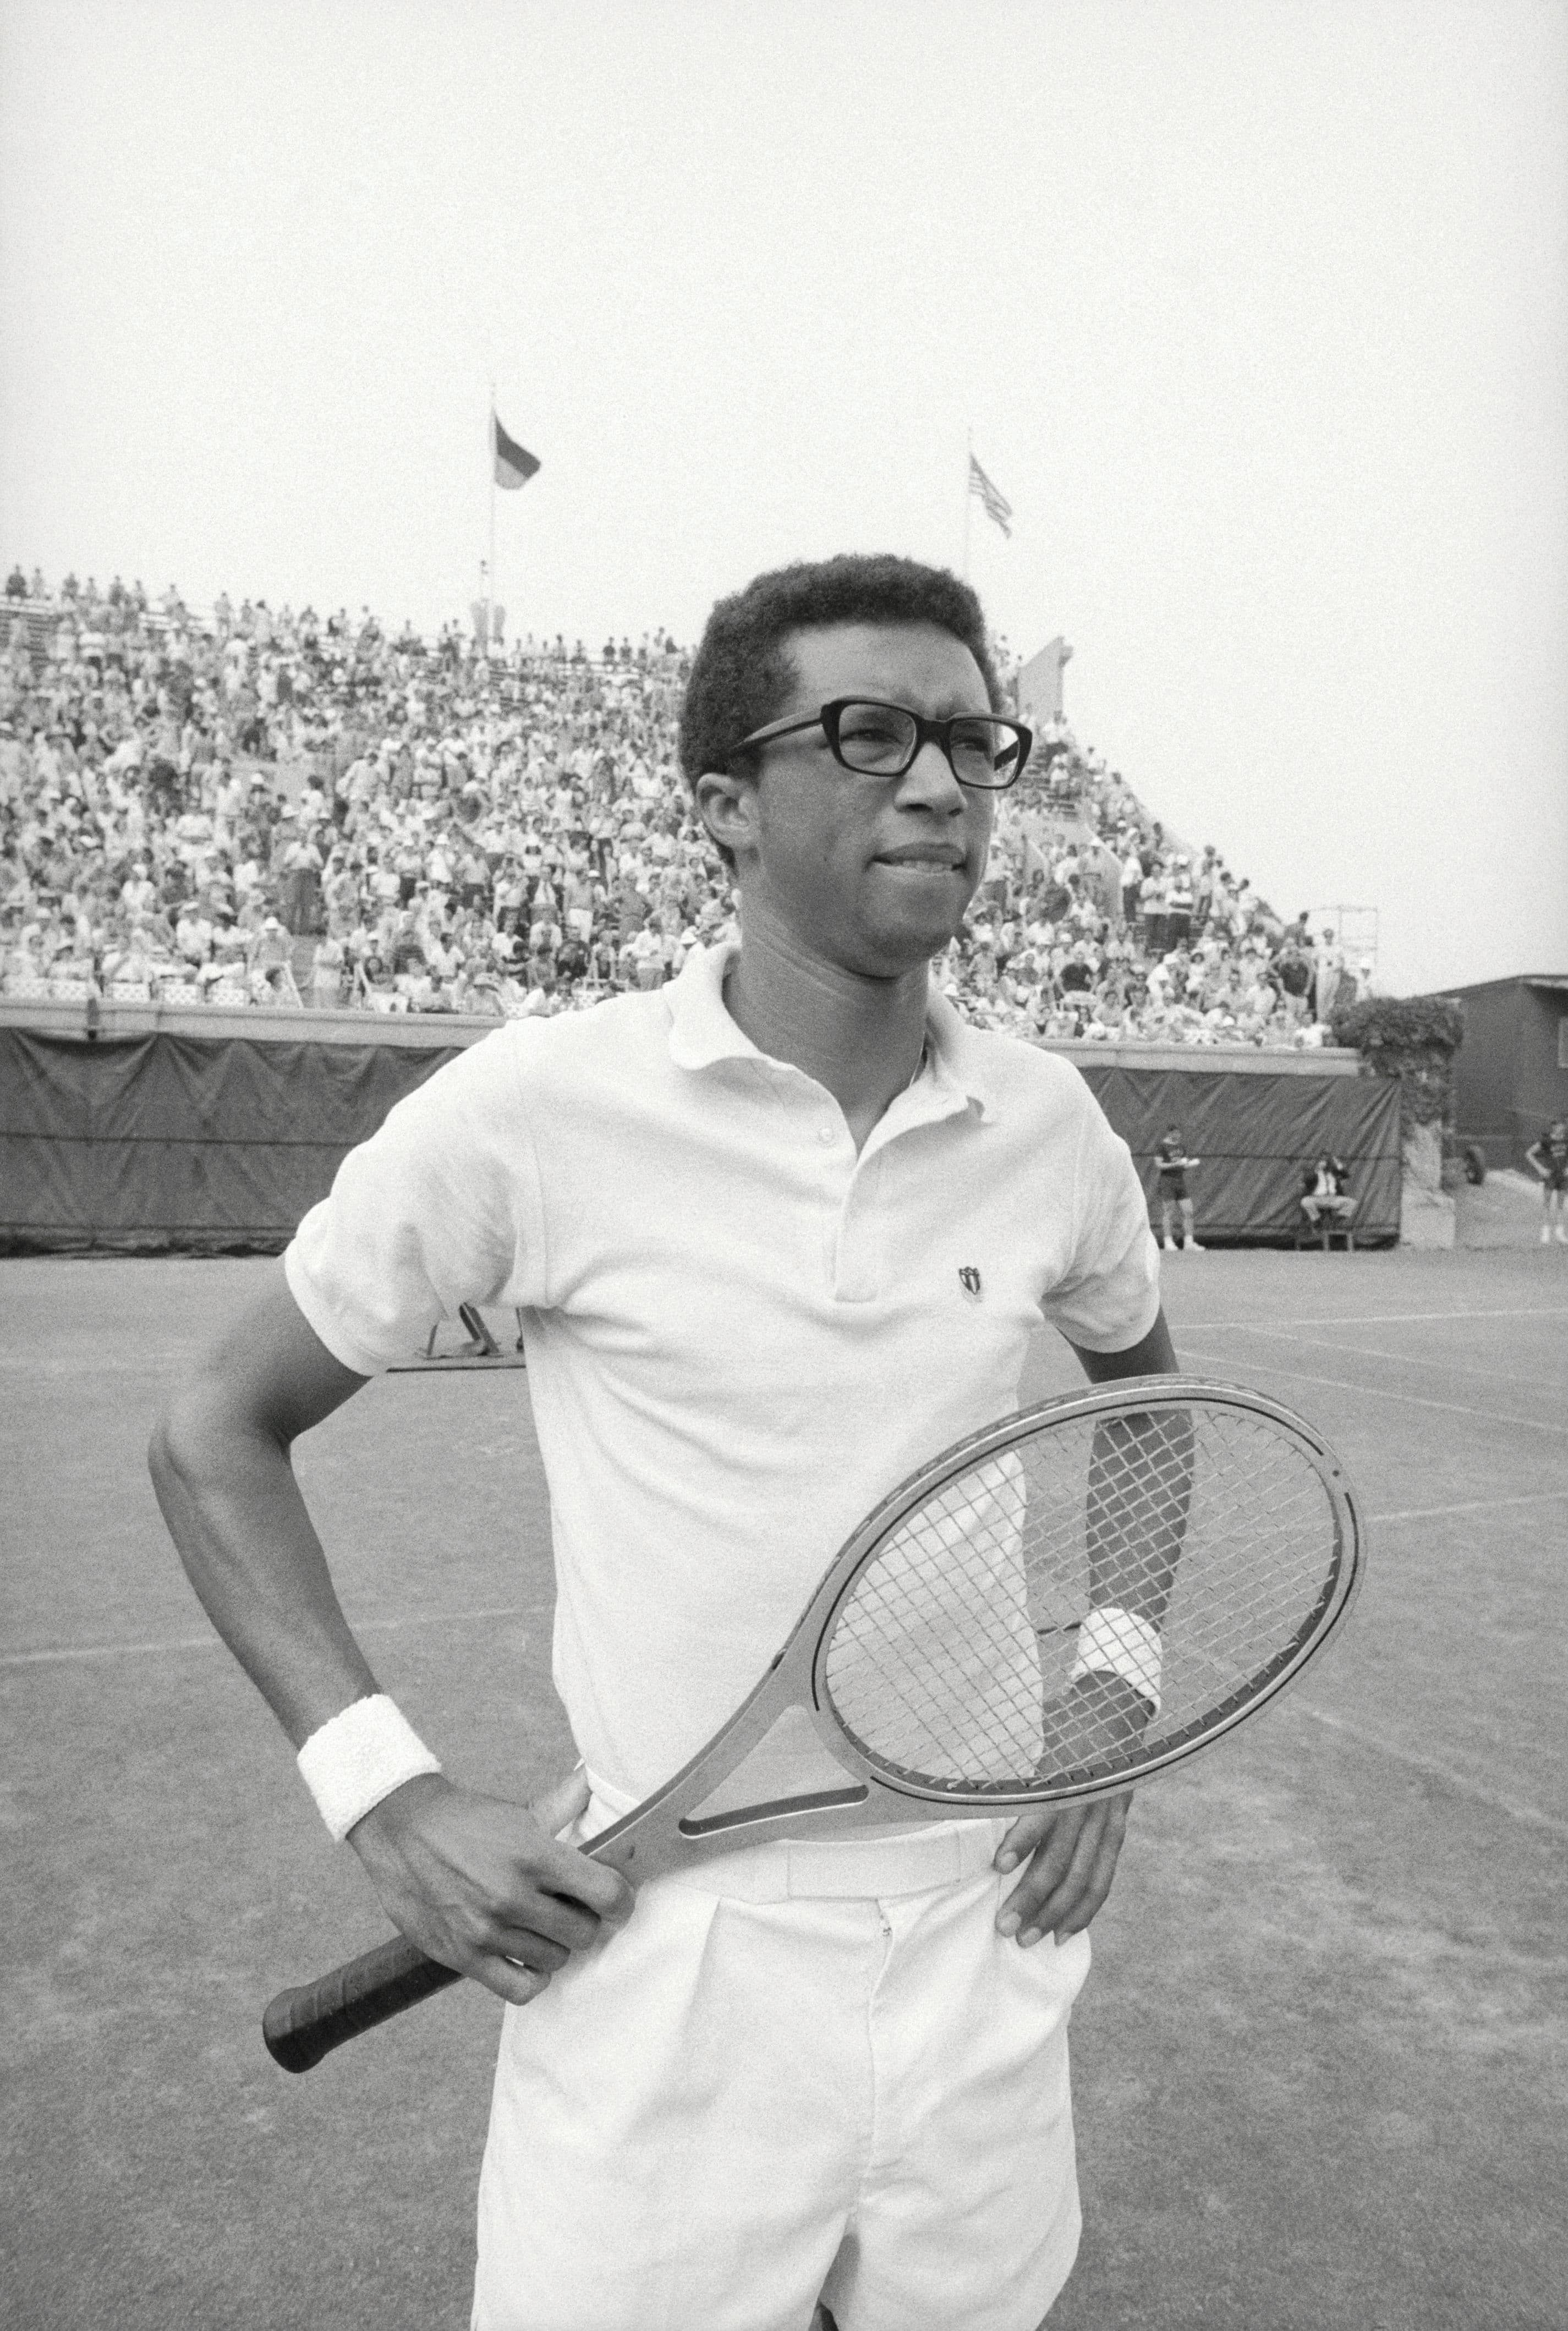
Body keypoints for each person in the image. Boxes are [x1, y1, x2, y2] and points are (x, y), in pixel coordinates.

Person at [150, 553, 1177, 2331]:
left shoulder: (1052, 1120)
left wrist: (1111, 1690)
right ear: (723, 803)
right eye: (870, 733)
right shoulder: (536, 1106)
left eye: (970, 739)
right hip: (665, 1954)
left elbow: (1151, 1408)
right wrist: (386, 1794)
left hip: (988, 1927)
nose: (939, 781)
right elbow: (215, 1427)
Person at [1155, 1122, 1204, 1252]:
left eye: (1179, 1133)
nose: (1178, 1136)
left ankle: (1189, 1243)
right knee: (1169, 1213)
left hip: (1180, 1182)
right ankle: (1168, 1242)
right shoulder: (1162, 1146)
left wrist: (1191, 1164)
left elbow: (1184, 1164)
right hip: (1167, 1182)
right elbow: (1159, 1165)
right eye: (1175, 1134)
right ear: (1170, 1133)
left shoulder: (1181, 1146)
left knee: (1189, 1212)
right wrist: (1175, 1164)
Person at [1525, 1120, 1568, 1244]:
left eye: (1564, 1127)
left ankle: (1560, 1233)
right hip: (1550, 1177)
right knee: (1547, 1204)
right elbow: (1529, 1154)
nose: (1562, 1129)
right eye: (1560, 1127)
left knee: (1560, 1205)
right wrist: (1540, 1169)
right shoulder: (1546, 1141)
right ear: (1554, 1128)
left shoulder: (1566, 1141)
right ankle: (1546, 1232)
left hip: (1563, 1178)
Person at [1300, 1153, 1355, 1237]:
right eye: (1322, 1161)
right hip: (1318, 1199)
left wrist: (1338, 1164)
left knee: (1352, 1203)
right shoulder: (1314, 1172)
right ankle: (1317, 1221)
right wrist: (1316, 1170)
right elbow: (1307, 1180)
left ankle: (1335, 1222)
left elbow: (1346, 1176)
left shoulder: (1334, 1173)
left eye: (1326, 1161)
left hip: (1333, 1199)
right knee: (1305, 1201)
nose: (1324, 1163)